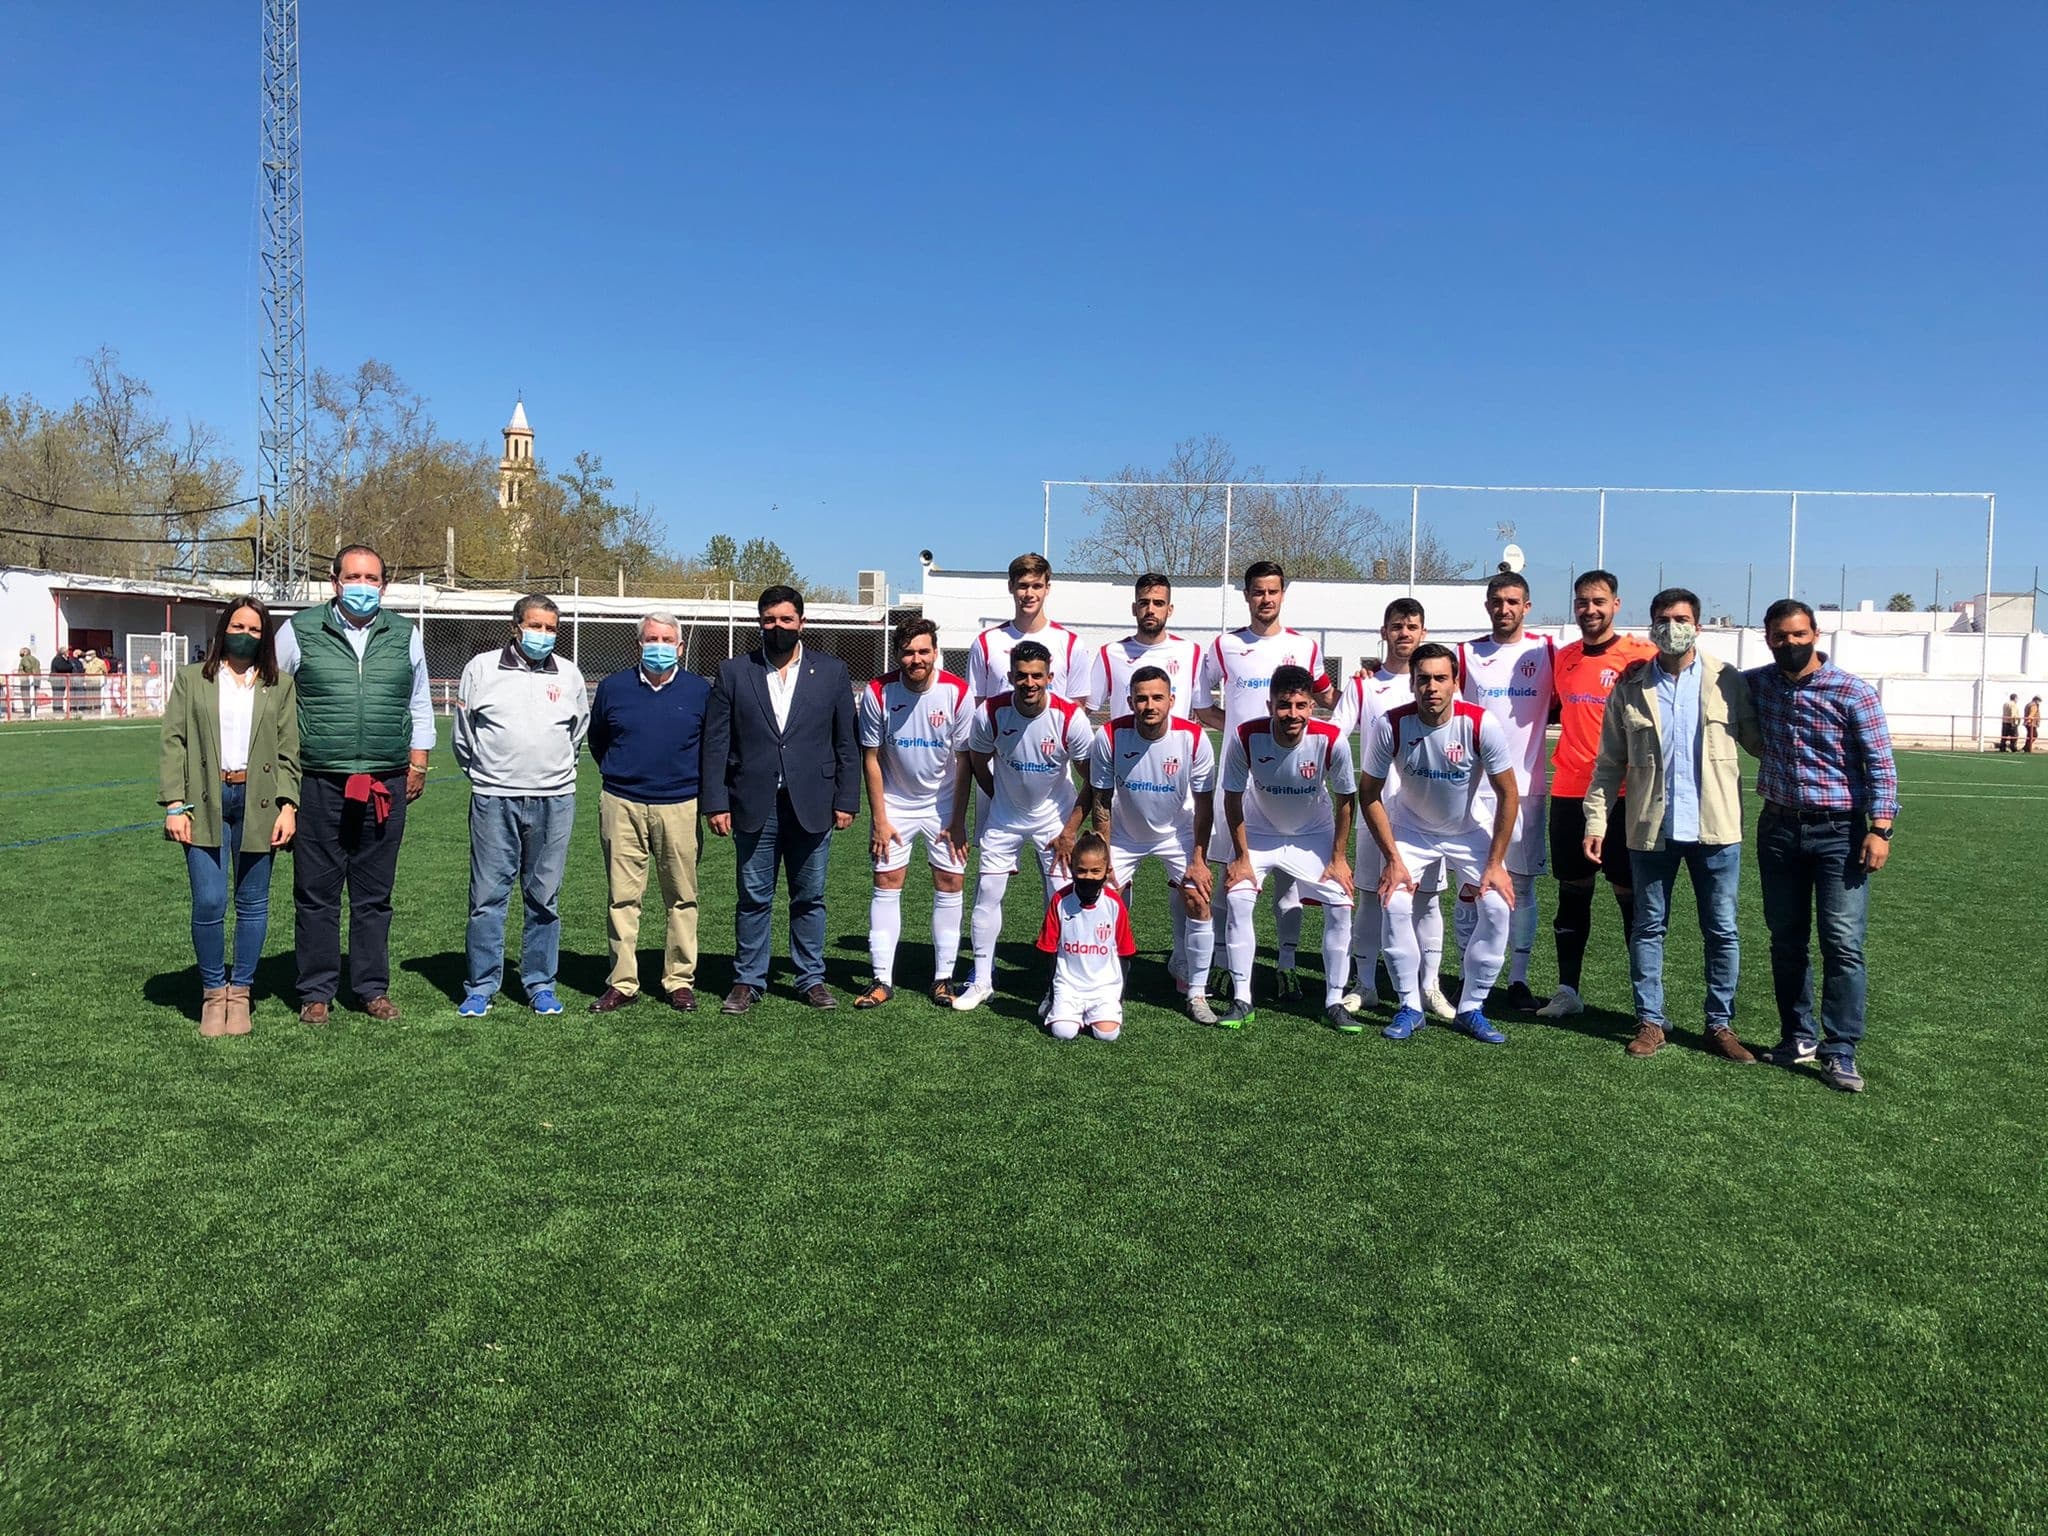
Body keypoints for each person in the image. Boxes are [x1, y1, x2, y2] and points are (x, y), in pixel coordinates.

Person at [1583, 588, 1762, 1061]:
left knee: (1721, 929)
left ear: (1698, 625)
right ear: (1651, 626)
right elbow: (1608, 763)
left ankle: (1719, 1025)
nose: (1672, 627)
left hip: (1717, 830)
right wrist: (1595, 820)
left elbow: (1762, 742)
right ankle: (1650, 1021)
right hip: (1651, 829)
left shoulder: (1728, 681)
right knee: (1648, 927)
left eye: (1681, 618)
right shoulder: (1631, 685)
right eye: (1662, 619)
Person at [276, 544, 435, 1025]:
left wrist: (419, 763)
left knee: (374, 893)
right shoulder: (298, 631)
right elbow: (274, 702)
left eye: (372, 579)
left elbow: (420, 702)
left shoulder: (405, 634)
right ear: (334, 581)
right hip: (320, 781)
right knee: (316, 890)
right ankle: (316, 990)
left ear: (383, 586)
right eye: (354, 577)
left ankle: (371, 988)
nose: (363, 586)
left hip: (384, 782)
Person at [1747, 599, 1898, 1094]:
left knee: (1842, 944)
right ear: (1767, 638)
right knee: (1785, 940)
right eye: (1778, 636)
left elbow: (1880, 764)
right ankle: (1797, 1037)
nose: (1788, 643)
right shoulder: (1758, 684)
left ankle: (1840, 1050)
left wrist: (1881, 829)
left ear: (1816, 633)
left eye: (1796, 634)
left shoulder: (1853, 692)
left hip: (1841, 834)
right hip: (1778, 829)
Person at [703, 585, 861, 1014]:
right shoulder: (735, 671)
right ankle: (747, 979)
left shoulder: (831, 671)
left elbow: (846, 741)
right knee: (753, 897)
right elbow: (716, 743)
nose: (778, 627)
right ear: (760, 623)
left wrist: (847, 799)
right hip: (753, 804)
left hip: (813, 803)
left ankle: (810, 977)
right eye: (769, 620)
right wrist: (716, 802)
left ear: (801, 623)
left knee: (809, 897)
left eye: (786, 620)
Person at [1357, 644, 1520, 1045]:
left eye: (1440, 678)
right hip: (1410, 830)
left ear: (1455, 683)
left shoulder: (1481, 723)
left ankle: (1471, 1008)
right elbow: (1369, 794)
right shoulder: (1391, 725)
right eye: (1423, 679)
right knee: (1394, 901)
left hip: (1466, 830)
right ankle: (1410, 1006)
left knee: (1497, 906)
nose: (1432, 687)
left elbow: (1508, 794)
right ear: (1412, 684)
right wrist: (1393, 858)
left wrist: (1496, 863)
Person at [158, 598, 299, 1037]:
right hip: (204, 800)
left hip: (258, 799)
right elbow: (174, 743)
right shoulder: (192, 680)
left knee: (253, 903)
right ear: (223, 630)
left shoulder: (280, 685)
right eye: (238, 625)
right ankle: (212, 993)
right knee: (210, 901)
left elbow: (289, 751)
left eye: (256, 629)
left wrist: (288, 805)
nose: (246, 634)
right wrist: (173, 805)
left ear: (265, 637)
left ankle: (241, 994)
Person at [1195, 561, 1334, 1002]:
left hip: (1290, 782)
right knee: (1229, 873)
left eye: (1273, 591)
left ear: (1282, 594)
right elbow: (1202, 705)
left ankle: (1287, 965)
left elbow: (1328, 699)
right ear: (1247, 595)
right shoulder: (1224, 646)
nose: (1266, 599)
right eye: (1257, 592)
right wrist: (1240, 734)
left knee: (1288, 880)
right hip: (1238, 781)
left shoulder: (1305, 648)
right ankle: (1222, 963)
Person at [451, 595, 591, 1018]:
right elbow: (464, 737)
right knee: (487, 898)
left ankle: (540, 983)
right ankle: (480, 985)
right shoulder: (480, 668)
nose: (542, 635)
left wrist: (553, 774)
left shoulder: (569, 675)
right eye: (535, 626)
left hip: (554, 800)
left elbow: (576, 734)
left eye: (550, 628)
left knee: (544, 898)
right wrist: (489, 777)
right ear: (515, 626)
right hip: (495, 799)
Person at [950, 639, 1097, 1012]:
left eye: (1037, 676)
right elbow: (978, 760)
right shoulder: (991, 713)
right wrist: (997, 796)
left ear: (1050, 677)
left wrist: (1068, 832)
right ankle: (982, 978)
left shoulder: (1069, 717)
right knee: (987, 893)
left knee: (1063, 902)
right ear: (1010, 676)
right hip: (1005, 818)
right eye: (1021, 676)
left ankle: (1062, 983)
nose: (1029, 683)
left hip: (1054, 820)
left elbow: (1093, 780)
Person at [1541, 569, 1658, 1020]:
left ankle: (1645, 1004)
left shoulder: (1641, 656)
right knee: (1573, 893)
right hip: (1570, 793)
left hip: (1624, 796)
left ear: (1616, 604)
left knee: (1631, 896)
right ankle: (1567, 990)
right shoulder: (1564, 658)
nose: (1590, 610)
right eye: (1582, 602)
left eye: (1598, 601)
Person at [1330, 598, 1453, 1017]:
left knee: (1428, 902)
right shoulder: (1364, 686)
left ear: (1424, 633)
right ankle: (1366, 984)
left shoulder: (1434, 683)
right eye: (1396, 626)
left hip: (1427, 814)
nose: (1404, 633)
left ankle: (1429, 986)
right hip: (1375, 809)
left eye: (1412, 626)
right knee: (1368, 897)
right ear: (1384, 632)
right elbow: (1333, 735)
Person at [1218, 664, 1358, 1032]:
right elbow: (1232, 797)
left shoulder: (1332, 739)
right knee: (1237, 896)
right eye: (1284, 705)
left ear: (1313, 707)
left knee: (1342, 903)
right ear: (1270, 705)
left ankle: (1334, 1001)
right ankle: (1242, 998)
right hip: (1261, 831)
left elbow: (1346, 799)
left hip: (1312, 832)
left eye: (1300, 705)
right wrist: (1243, 857)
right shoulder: (1245, 736)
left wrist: (1339, 858)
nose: (1292, 714)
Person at [587, 613, 712, 1014]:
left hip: (680, 803)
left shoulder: (699, 691)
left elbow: (712, 746)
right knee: (623, 898)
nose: (659, 645)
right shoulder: (613, 688)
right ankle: (622, 982)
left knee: (681, 896)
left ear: (680, 647)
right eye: (651, 638)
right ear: (639, 644)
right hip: (621, 802)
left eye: (667, 639)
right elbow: (598, 740)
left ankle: (679, 980)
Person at [854, 618, 972, 1008]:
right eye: (907, 652)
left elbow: (964, 761)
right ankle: (881, 978)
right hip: (896, 802)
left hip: (942, 804)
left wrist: (957, 821)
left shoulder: (957, 692)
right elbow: (870, 758)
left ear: (936, 652)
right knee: (887, 881)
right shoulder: (877, 692)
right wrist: (880, 819)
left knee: (950, 883)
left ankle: (943, 978)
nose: (916, 659)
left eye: (923, 651)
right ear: (897, 655)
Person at [1091, 665, 1218, 1023]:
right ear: (1129, 701)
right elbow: (1101, 799)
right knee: (1103, 895)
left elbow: (1204, 803)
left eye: (1157, 697)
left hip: (1177, 833)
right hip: (1125, 834)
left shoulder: (1193, 738)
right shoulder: (1111, 736)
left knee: (1197, 894)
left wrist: (1198, 859)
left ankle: (1196, 992)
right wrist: (1104, 854)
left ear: (1171, 701)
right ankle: (1107, 981)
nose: (1149, 705)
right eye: (1142, 698)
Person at [1457, 573, 1556, 1011]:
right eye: (1497, 601)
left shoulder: (1546, 651)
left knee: (1523, 887)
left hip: (1528, 790)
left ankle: (1517, 980)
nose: (1504, 609)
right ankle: (1463, 972)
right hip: (1474, 791)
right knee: (1468, 886)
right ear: (1486, 605)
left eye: (1513, 601)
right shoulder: (1466, 654)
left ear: (1527, 606)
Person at [1034, 832, 1138, 1042]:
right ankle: (1064, 1011)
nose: (1088, 877)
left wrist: (1119, 996)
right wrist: (1053, 993)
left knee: (1107, 1034)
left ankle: (1098, 1013)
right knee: (1064, 1032)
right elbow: (1048, 949)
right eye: (1081, 871)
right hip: (1068, 985)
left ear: (1107, 872)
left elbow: (1125, 952)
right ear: (1071, 869)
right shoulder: (1060, 901)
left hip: (1104, 987)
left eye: (1095, 871)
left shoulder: (1114, 903)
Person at [966, 552, 1085, 701]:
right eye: (1023, 586)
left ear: (1047, 588)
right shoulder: (985, 642)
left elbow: (1076, 709)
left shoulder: (1072, 644)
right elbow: (976, 705)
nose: (1029, 593)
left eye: (1037, 586)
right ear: (1010, 587)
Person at [1085, 573, 1205, 720]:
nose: (1150, 610)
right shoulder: (1110, 654)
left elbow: (1207, 712)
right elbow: (1083, 710)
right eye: (1144, 603)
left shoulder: (1190, 652)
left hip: (1174, 743)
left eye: (1158, 603)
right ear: (1134, 609)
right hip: (1126, 743)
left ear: (1170, 609)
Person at [48, 647, 75, 718]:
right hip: (57, 680)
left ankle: (59, 708)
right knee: (57, 695)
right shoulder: (58, 659)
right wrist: (70, 666)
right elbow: (61, 667)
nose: (68, 653)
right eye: (67, 652)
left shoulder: (63, 659)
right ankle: (57, 709)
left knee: (60, 695)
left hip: (60, 680)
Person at [14, 646, 38, 718]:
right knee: (34, 696)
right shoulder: (35, 659)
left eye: (22, 651)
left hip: (26, 680)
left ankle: (27, 712)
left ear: (25, 652)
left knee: (26, 696)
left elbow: (28, 667)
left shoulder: (24, 659)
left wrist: (29, 674)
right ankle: (34, 712)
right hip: (36, 679)